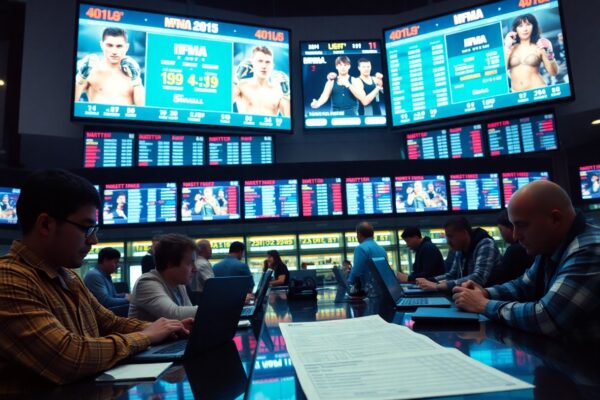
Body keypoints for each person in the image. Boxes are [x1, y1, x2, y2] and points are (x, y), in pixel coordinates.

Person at [0, 169, 190, 387]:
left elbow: (111, 323)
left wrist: (170, 328)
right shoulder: (9, 278)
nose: (94, 240)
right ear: (46, 224)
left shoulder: (68, 277)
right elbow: (68, 357)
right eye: (86, 228)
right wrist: (147, 336)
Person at [453, 181, 600, 338]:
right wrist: (484, 292)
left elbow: (547, 318)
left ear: (555, 219)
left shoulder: (591, 249)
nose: (515, 236)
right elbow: (523, 286)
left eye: (521, 225)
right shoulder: (550, 245)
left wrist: (484, 304)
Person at [416, 217, 501, 292]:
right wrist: (430, 281)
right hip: (469, 296)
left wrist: (438, 286)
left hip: (488, 299)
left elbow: (479, 277)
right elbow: (452, 275)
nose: (448, 242)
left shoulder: (485, 244)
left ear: (464, 233)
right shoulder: (460, 248)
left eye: (450, 236)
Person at [129, 234, 198, 321]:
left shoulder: (179, 284)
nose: (195, 269)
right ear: (170, 264)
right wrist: (212, 308)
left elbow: (189, 316)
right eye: (189, 263)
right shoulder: (146, 283)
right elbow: (174, 314)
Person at [74, 27, 145, 105]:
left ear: (126, 47)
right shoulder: (92, 70)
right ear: (102, 45)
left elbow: (142, 107)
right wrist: (81, 77)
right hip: (97, 113)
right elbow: (71, 101)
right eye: (110, 45)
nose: (114, 51)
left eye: (119, 46)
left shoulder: (133, 72)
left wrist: (136, 80)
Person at [504, 13, 558, 91]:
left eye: (528, 25)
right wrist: (506, 47)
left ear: (533, 27)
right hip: (517, 93)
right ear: (515, 29)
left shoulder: (539, 47)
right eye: (520, 26)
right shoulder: (510, 49)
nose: (525, 29)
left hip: (538, 90)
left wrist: (549, 52)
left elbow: (554, 73)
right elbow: (502, 71)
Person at [233, 46, 290, 117]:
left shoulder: (278, 91)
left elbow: (289, 117)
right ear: (252, 64)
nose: (264, 66)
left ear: (272, 66)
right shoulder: (241, 85)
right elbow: (224, 103)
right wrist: (236, 78)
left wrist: (287, 93)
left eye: (267, 62)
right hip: (246, 124)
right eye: (260, 61)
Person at [487, 210, 534, 286]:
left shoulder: (514, 250)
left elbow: (501, 276)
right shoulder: (540, 256)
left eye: (501, 230)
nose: (515, 235)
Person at [84, 247, 129, 316]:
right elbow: (105, 301)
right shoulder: (94, 275)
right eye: (115, 262)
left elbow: (113, 295)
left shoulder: (105, 275)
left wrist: (125, 295)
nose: (117, 266)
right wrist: (127, 300)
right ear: (105, 260)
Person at [347, 221, 387, 292]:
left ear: (359, 234)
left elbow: (356, 271)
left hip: (366, 291)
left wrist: (348, 282)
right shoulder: (382, 249)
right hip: (381, 289)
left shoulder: (361, 248)